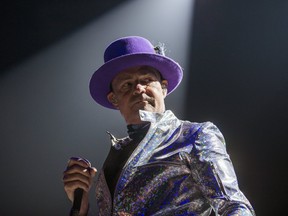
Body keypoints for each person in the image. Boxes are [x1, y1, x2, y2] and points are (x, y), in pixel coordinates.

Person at [63, 36, 255, 216]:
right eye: (126, 85)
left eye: (146, 80)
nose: (138, 88)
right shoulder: (111, 161)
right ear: (114, 99)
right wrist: (80, 207)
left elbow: (235, 206)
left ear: (163, 87)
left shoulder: (193, 135)